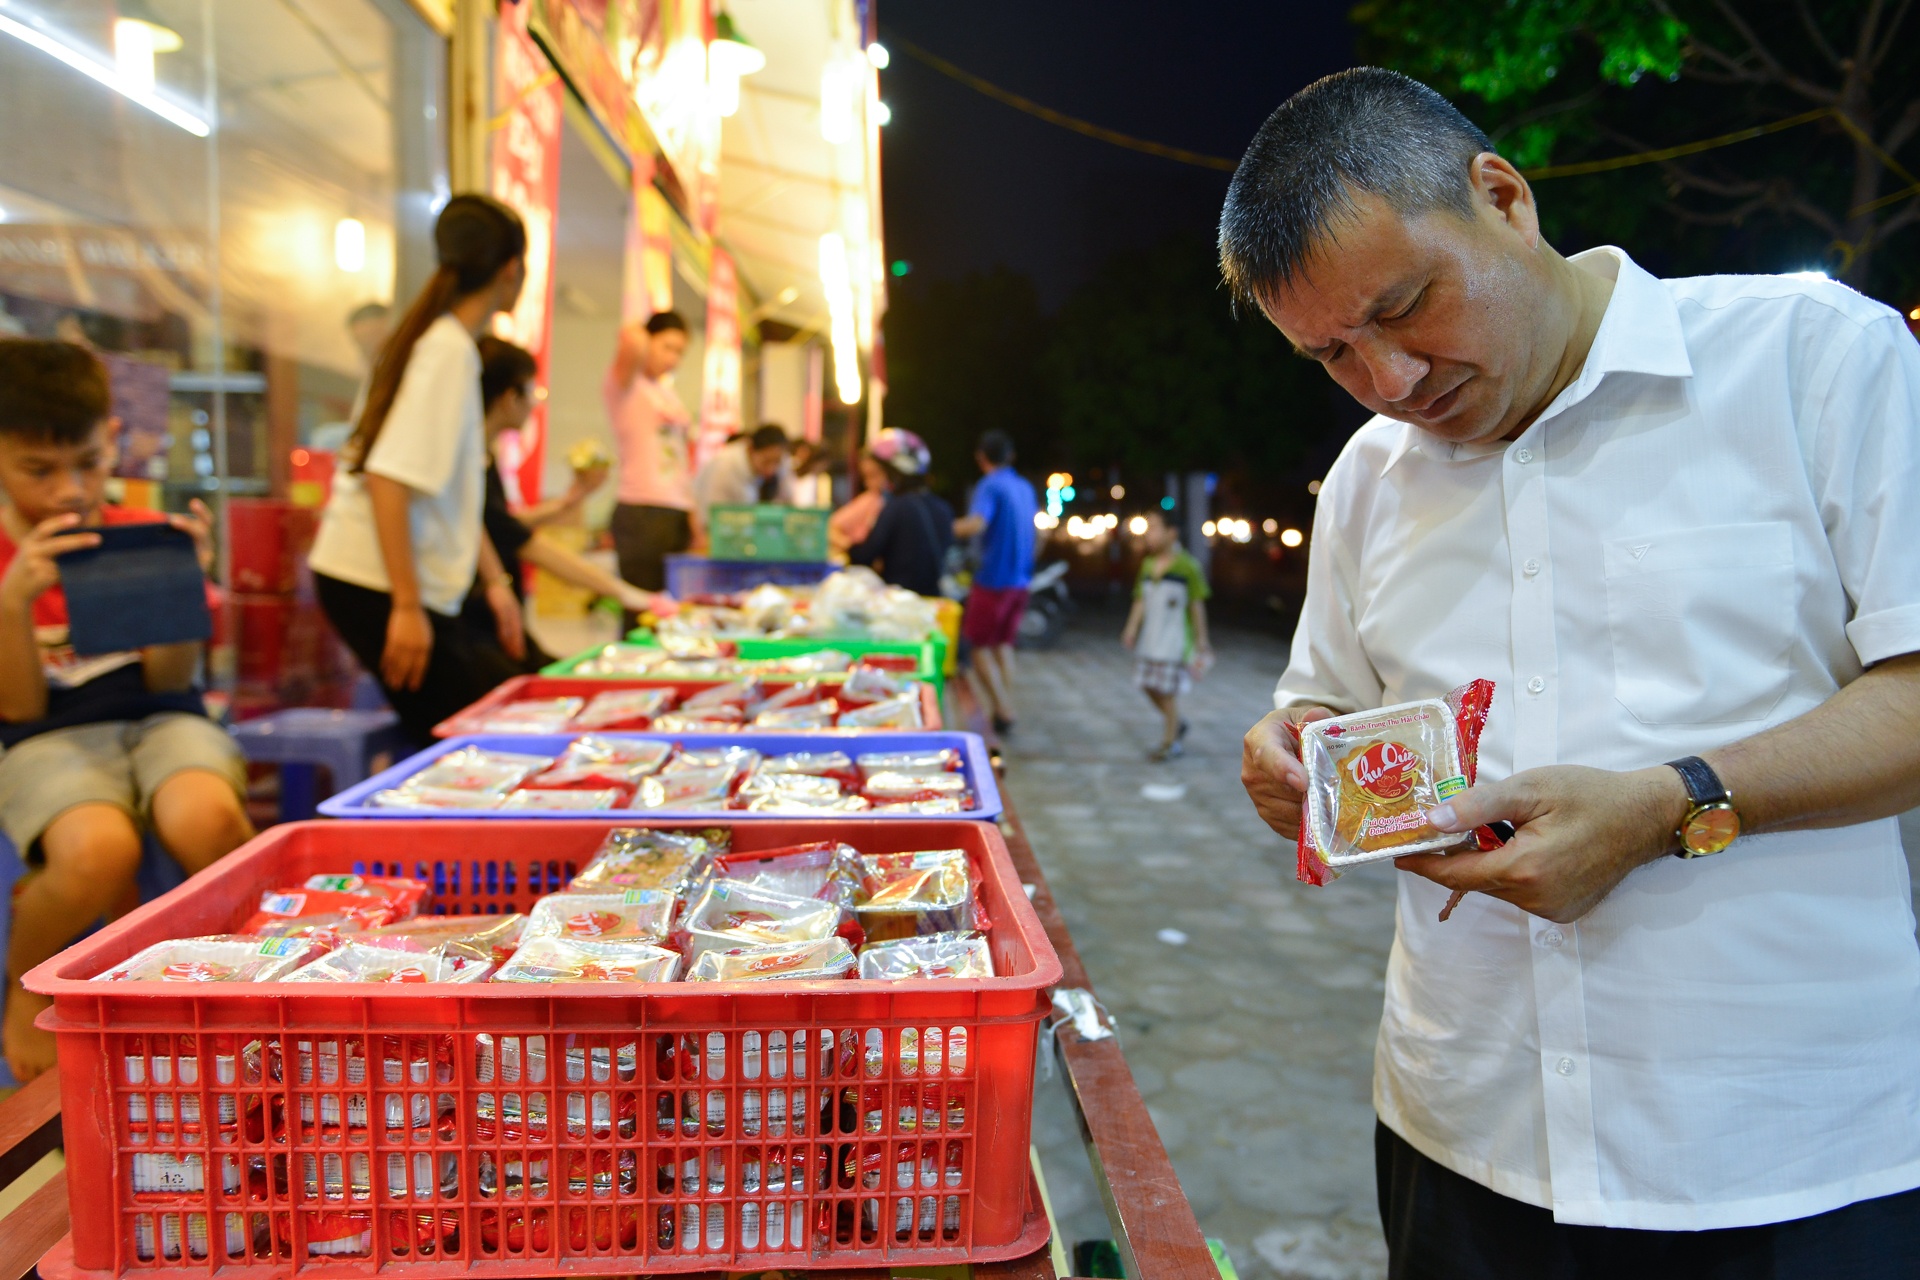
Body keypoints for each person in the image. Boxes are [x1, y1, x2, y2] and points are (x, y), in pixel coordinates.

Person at [1225, 68, 1920, 1276]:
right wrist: (1294, 742)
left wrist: (1670, 802)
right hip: (1465, 1129)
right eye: (1333, 353)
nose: (1390, 382)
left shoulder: (1814, 361)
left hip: (1786, 1151)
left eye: (1406, 305)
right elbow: (1325, 692)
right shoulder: (1369, 479)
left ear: (1503, 196)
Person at [0, 339, 253, 1080]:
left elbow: (171, 678)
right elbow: (18, 704)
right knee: (97, 851)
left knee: (206, 817)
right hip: (47, 732)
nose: (69, 490)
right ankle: (24, 996)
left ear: (112, 440)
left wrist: (181, 592)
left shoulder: (142, 535)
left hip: (162, 716)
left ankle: (237, 993)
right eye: (38, 471)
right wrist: (15, 601)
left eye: (88, 463)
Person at [308, 194, 528, 744]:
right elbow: (387, 479)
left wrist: (494, 581)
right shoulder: (446, 349)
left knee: (495, 712)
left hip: (391, 582)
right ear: (511, 269)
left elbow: (449, 492)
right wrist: (406, 606)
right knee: (482, 736)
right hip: (373, 582)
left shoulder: (436, 340)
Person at [463, 337, 672, 671]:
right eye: (533, 392)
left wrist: (569, 501)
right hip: (474, 619)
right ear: (508, 397)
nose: (535, 404)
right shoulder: (468, 457)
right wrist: (625, 593)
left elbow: (502, 524)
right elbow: (523, 542)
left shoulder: (483, 454)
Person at [953, 429, 1036, 735]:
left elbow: (977, 523)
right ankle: (1004, 705)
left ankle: (1003, 709)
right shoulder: (1024, 487)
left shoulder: (990, 485)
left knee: (978, 648)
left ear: (981, 457)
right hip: (1021, 580)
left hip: (993, 580)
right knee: (1003, 645)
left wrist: (944, 527)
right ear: (1010, 456)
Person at [605, 312, 693, 597]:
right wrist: (646, 326)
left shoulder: (668, 393)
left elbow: (681, 461)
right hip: (642, 509)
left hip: (675, 511)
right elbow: (632, 341)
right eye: (667, 347)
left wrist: (691, 512)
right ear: (649, 340)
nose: (673, 359)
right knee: (642, 604)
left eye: (680, 352)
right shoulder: (625, 385)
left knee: (671, 606)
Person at [1121, 508, 1212, 761]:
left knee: (1168, 694)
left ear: (1172, 533)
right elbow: (1140, 600)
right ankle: (1177, 723)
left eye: (1153, 529)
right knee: (1148, 686)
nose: (1148, 535)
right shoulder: (1148, 565)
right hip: (1150, 640)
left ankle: (1170, 743)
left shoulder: (1188, 567)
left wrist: (1202, 639)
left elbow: (1196, 605)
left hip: (1175, 643)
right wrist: (1131, 628)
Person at [847, 428, 952, 597]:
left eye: (881, 472)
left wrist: (848, 546)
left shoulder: (897, 507)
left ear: (896, 472)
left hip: (900, 604)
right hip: (932, 602)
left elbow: (865, 555)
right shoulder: (944, 508)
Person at [690, 423, 794, 530]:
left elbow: (788, 503)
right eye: (766, 461)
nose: (771, 469)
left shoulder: (783, 463)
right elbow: (710, 515)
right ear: (751, 450)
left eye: (777, 462)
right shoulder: (724, 466)